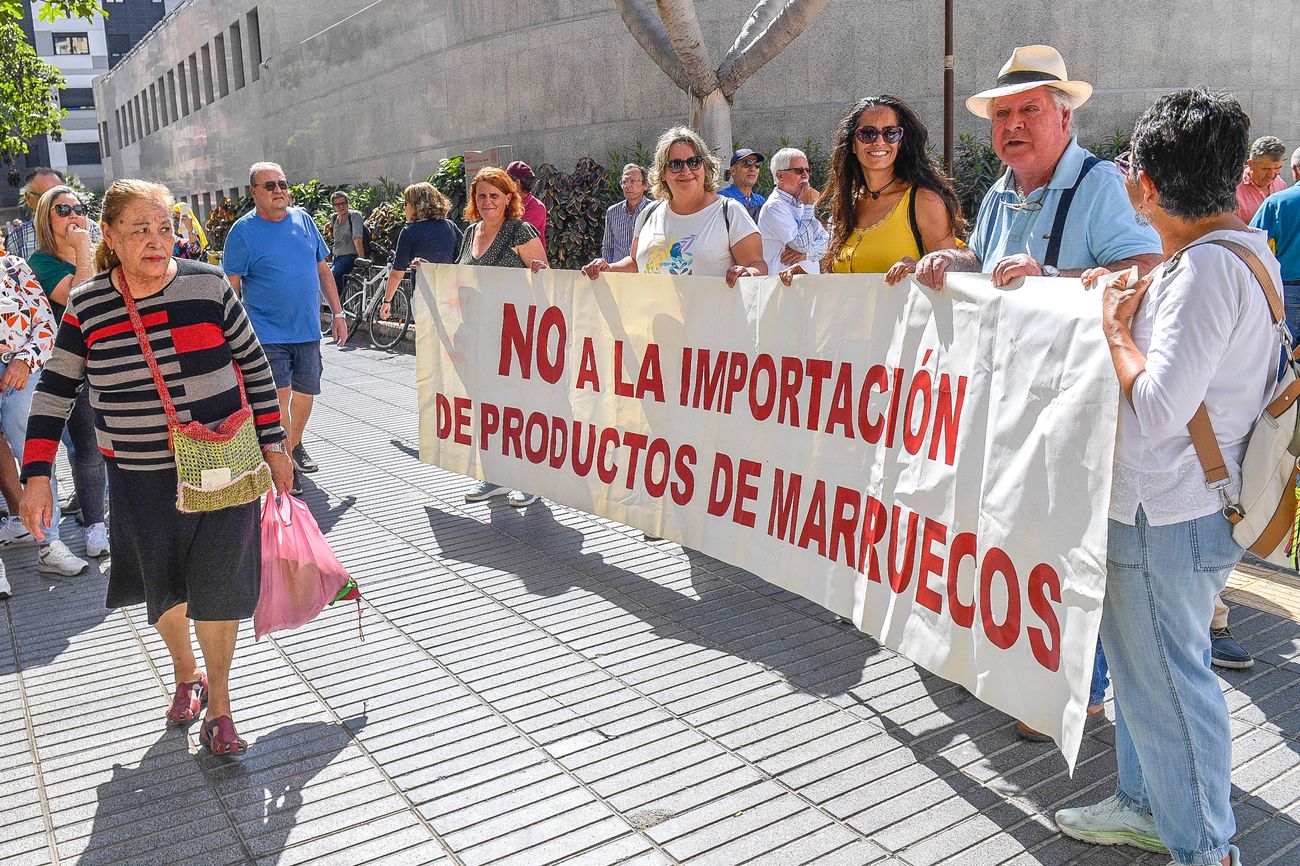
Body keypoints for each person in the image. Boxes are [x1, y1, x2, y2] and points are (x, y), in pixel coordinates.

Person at [1054, 88, 1274, 866]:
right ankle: (1145, 806)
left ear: (1146, 185)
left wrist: (1116, 330)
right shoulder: (1237, 251)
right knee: (1152, 682)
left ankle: (1205, 847)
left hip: (1164, 514)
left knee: (1172, 689)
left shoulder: (1203, 272)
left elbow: (1156, 406)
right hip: (1181, 510)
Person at [19, 179, 294, 756]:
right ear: (111, 237)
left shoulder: (209, 285)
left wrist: (276, 445)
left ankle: (219, 706)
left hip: (222, 467)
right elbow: (54, 389)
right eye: (140, 229)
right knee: (163, 589)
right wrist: (37, 473)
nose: (156, 240)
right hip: (140, 479)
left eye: (165, 226)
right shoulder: (89, 305)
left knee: (219, 587)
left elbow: (257, 370)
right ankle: (185, 672)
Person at [913, 45, 1163, 291]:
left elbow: (1149, 266)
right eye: (1001, 113)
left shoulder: (1100, 185)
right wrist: (950, 261)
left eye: (1029, 109)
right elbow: (980, 259)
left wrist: (1045, 276)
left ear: (1064, 116)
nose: (1013, 124)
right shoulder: (1000, 190)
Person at [221, 162, 348, 495]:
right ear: (254, 193)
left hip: (307, 328)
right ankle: (286, 462)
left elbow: (323, 270)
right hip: (266, 333)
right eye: (269, 186)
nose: (279, 191)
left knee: (306, 395)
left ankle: (295, 443)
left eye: (282, 184)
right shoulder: (242, 232)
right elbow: (231, 288)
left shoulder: (303, 220)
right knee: (279, 398)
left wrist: (339, 313)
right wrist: (232, 336)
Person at [791, 95, 962, 285]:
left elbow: (949, 277)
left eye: (891, 133)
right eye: (868, 133)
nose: (879, 141)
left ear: (901, 142)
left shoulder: (924, 200)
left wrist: (921, 267)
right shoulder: (848, 203)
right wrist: (809, 276)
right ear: (853, 144)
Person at [24, 185, 109, 557]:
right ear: (46, 218)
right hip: (72, 370)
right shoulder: (42, 262)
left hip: (111, 360)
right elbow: (83, 297)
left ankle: (115, 516)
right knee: (87, 449)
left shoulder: (96, 252)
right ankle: (95, 525)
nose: (74, 214)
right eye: (63, 209)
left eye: (80, 207)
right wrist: (82, 251)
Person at [458, 166, 549, 508]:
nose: (486, 202)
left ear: (508, 198)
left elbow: (545, 279)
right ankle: (495, 476)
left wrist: (540, 274)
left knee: (521, 408)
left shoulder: (519, 230)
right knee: (487, 408)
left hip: (516, 337)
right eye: (480, 195)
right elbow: (458, 277)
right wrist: (429, 272)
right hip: (480, 336)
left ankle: (532, 479)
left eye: (494, 195)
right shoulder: (470, 233)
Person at [581, 126, 765, 285]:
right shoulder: (647, 214)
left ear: (704, 166)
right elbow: (637, 263)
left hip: (710, 324)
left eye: (694, 162)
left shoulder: (729, 212)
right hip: (654, 323)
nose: (686, 171)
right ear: (662, 173)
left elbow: (757, 265)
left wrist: (749, 273)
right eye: (675, 164)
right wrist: (608, 268)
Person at [0, 253, 82, 597]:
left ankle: (50, 544)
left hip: (21, 370)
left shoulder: (14, 267)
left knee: (34, 449)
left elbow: (47, 323)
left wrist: (23, 360)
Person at [379, 182, 463, 321]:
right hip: (451, 292)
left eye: (406, 203)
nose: (404, 207)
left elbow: (397, 274)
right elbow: (463, 256)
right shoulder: (450, 226)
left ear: (416, 205)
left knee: (428, 340)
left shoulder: (409, 232)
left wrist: (387, 301)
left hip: (423, 295)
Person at [1250, 145, 1300, 335]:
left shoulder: (1277, 202)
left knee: (1281, 349)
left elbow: (1253, 243)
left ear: (1294, 170)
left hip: (1287, 288)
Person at [758, 147, 829, 276]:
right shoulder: (774, 207)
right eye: (799, 171)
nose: (805, 175)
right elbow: (800, 244)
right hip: (783, 287)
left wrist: (807, 255)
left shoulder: (803, 205)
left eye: (807, 170)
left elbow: (827, 241)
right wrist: (809, 206)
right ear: (780, 176)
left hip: (808, 286)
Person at [601, 164, 652, 263]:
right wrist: (608, 271)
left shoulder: (654, 211)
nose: (627, 185)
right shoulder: (612, 212)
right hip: (618, 273)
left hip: (644, 272)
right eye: (624, 182)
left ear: (645, 185)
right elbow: (608, 247)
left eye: (633, 181)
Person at [1234, 136, 1288, 224]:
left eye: (1278, 168)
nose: (1271, 175)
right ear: (1251, 164)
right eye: (1266, 169)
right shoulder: (1233, 189)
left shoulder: (1280, 184)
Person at [328, 191, 364, 295]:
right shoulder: (334, 218)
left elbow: (357, 238)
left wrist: (361, 259)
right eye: (337, 204)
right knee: (337, 286)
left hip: (349, 257)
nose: (341, 207)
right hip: (337, 258)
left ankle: (338, 308)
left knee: (332, 277)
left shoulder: (354, 216)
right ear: (333, 206)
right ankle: (340, 307)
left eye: (344, 203)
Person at [507, 161, 548, 249]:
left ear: (517, 183)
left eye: (507, 181)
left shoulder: (537, 208)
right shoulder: (508, 203)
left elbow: (515, 236)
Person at [718, 149, 767, 221]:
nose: (753, 169)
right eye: (747, 164)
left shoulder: (761, 200)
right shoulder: (723, 199)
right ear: (733, 171)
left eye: (757, 164)